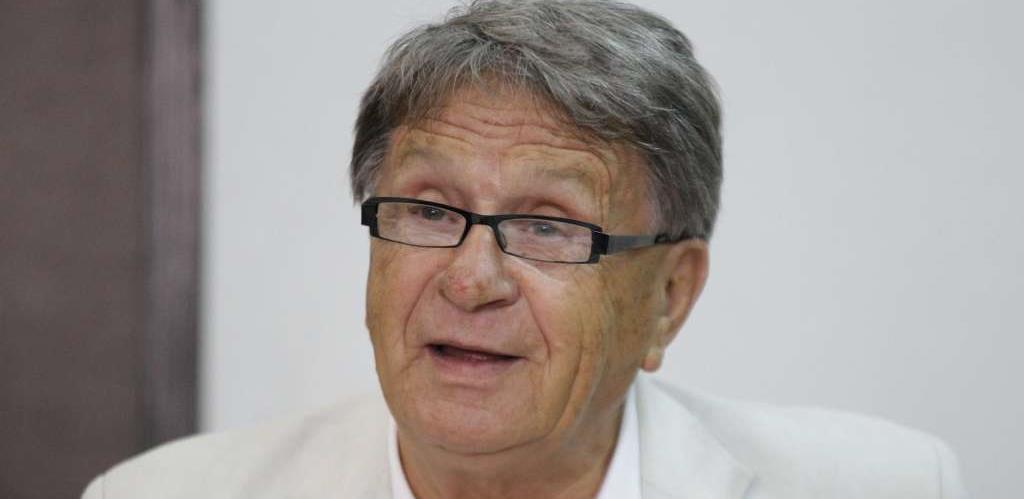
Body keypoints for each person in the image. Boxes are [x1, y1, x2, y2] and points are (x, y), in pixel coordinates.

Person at [84, 1, 967, 497]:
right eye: (430, 210)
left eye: (548, 225)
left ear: (668, 296)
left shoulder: (884, 486)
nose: (472, 279)